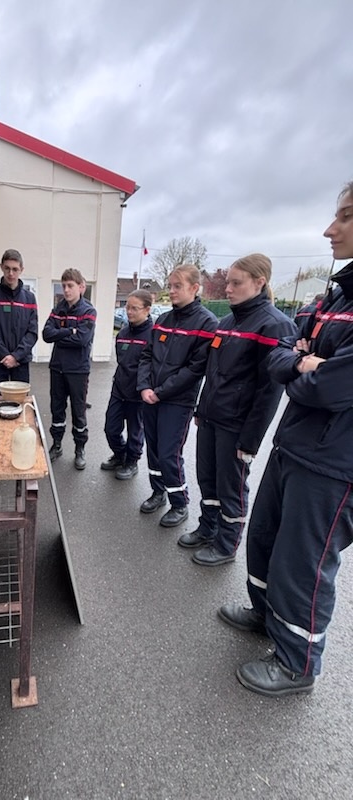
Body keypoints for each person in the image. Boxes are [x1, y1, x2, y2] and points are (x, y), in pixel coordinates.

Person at [218, 182, 353, 696]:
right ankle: (264, 614)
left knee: (306, 562)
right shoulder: (337, 295)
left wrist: (304, 363)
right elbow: (285, 357)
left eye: (343, 217)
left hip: (334, 463)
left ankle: (297, 662)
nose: (328, 229)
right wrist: (302, 358)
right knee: (266, 536)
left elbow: (326, 386)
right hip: (295, 443)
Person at [178, 254, 296, 565]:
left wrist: (251, 440)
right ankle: (208, 528)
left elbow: (269, 391)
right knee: (208, 479)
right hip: (212, 418)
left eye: (236, 282)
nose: (227, 288)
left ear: (260, 282)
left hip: (237, 425)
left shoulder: (275, 325)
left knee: (231, 487)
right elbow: (213, 373)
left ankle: (227, 545)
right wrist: (201, 410)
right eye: (228, 281)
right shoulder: (226, 323)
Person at [136, 265, 218, 526]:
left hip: (176, 401)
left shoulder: (206, 323)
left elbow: (195, 370)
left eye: (177, 286)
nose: (170, 291)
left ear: (194, 288)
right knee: (154, 448)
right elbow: (147, 356)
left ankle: (179, 503)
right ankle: (158, 491)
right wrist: (144, 387)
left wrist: (159, 392)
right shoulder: (162, 320)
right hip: (150, 396)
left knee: (169, 452)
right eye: (169, 285)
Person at [42, 268, 97, 470]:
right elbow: (46, 334)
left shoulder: (88, 311)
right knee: (57, 409)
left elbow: (82, 339)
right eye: (63, 286)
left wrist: (60, 334)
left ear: (81, 287)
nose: (66, 290)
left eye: (70, 286)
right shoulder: (58, 308)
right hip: (57, 368)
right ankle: (57, 445)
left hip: (77, 370)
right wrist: (69, 331)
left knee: (78, 411)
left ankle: (79, 449)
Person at [101, 289, 154, 480]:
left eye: (135, 308)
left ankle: (131, 462)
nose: (129, 312)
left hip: (138, 395)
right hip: (119, 390)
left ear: (147, 310)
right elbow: (122, 362)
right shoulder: (122, 333)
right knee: (110, 428)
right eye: (127, 307)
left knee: (135, 432)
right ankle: (120, 454)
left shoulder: (153, 335)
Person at [0, 249, 38, 389]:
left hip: (21, 362)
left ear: (21, 270)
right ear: (1, 267)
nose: (11, 273)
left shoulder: (29, 299)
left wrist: (16, 356)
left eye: (15, 269)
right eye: (7, 268)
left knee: (20, 401)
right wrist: (5, 355)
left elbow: (32, 332)